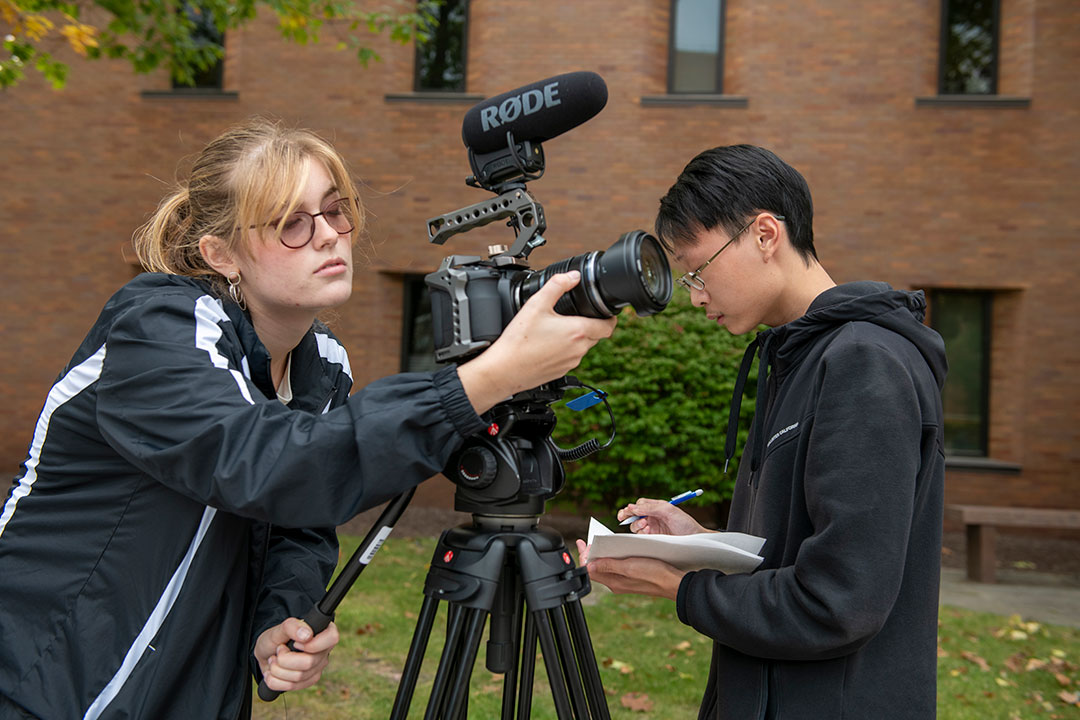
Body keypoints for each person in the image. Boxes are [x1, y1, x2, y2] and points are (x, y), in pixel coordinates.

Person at [0, 117, 616, 720]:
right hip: (41, 680)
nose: (327, 235)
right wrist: (487, 380)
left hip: (189, 687)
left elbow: (299, 524)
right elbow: (267, 464)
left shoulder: (321, 361)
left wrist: (278, 616)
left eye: (334, 209)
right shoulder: (156, 327)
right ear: (221, 253)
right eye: (289, 222)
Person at [576, 144, 947, 719]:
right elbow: (800, 552)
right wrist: (702, 545)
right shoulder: (797, 357)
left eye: (698, 270)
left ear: (765, 234)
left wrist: (681, 587)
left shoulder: (863, 363)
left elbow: (837, 601)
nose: (694, 296)